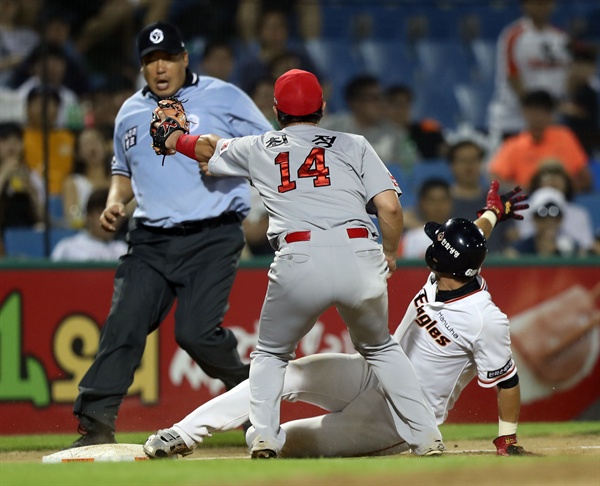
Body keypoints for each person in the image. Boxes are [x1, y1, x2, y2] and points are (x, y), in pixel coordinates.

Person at [149, 68, 445, 459]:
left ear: (275, 110)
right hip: (359, 252)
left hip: (300, 257)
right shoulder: (354, 144)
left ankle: (265, 437)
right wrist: (389, 252)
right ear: (322, 107)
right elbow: (389, 207)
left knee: (271, 355)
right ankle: (427, 437)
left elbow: (207, 147)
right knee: (381, 349)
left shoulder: (261, 146)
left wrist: (174, 139)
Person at [142, 182, 529, 459]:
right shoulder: (455, 268)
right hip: (371, 372)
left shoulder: (485, 318)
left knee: (273, 441)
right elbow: (471, 240)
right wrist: (494, 212)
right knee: (284, 374)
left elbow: (508, 381)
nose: (432, 243)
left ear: (438, 260)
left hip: (400, 418)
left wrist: (506, 438)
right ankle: (182, 433)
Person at [67, 20, 273, 448]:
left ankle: (258, 399)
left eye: (167, 58)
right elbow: (122, 172)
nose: (159, 67)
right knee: (124, 325)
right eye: (149, 60)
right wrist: (114, 201)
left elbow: (271, 149)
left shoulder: (224, 96)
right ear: (142, 67)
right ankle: (95, 426)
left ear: (184, 59)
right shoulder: (129, 112)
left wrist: (225, 158)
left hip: (212, 235)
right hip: (150, 240)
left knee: (195, 334)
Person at [486, 0, 571, 141]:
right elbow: (512, 76)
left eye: (545, 3)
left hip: (550, 120)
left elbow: (569, 75)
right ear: (525, 5)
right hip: (513, 120)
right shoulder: (513, 35)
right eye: (536, 3)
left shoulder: (562, 38)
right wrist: (534, 110)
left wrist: (554, 108)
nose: (541, 7)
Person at [487, 89, 591, 193]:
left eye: (543, 111)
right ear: (524, 112)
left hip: (563, 201)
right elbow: (494, 178)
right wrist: (525, 191)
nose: (538, 117)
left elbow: (585, 178)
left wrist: (564, 191)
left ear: (551, 114)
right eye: (533, 111)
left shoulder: (565, 137)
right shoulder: (514, 145)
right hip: (527, 203)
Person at [320, 75, 418, 172]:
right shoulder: (332, 127)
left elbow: (413, 166)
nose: (380, 104)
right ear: (355, 103)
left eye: (381, 98)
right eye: (374, 98)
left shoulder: (396, 133)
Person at [447, 139, 513, 253]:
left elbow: (512, 235)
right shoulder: (440, 199)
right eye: (463, 161)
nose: (469, 166)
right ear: (452, 165)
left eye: (474, 160)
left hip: (492, 265)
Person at [516, 163, 595, 253]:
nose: (549, 220)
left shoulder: (579, 214)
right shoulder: (521, 211)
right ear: (534, 219)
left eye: (555, 214)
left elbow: (586, 248)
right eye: (542, 214)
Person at [22, 85, 75, 196]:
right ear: (27, 108)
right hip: (30, 196)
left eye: (49, 103)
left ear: (58, 110)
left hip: (66, 195)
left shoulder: (69, 138)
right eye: (38, 102)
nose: (43, 107)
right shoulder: (19, 138)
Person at [51, 188, 128, 261]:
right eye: (101, 212)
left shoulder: (123, 250)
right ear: (89, 216)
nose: (109, 219)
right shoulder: (68, 247)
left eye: (114, 214)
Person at [506, 186, 580, 257]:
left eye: (555, 217)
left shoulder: (574, 249)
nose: (549, 222)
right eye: (542, 217)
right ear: (534, 219)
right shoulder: (517, 251)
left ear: (561, 220)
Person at [62, 128, 111, 229]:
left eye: (96, 142)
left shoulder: (118, 179)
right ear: (78, 153)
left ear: (106, 146)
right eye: (86, 144)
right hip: (86, 234)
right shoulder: (73, 182)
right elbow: (72, 217)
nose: (92, 147)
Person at [384, 84, 448, 161]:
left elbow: (444, 152)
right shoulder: (377, 134)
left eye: (406, 104)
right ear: (385, 107)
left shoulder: (427, 132)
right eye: (396, 104)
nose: (401, 109)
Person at [0, 121, 43, 235]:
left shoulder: (32, 175)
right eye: (5, 140)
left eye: (16, 141)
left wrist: (31, 192)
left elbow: (43, 218)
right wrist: (3, 175)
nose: (11, 145)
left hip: (27, 236)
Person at [400, 178, 453, 258]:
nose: (438, 206)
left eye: (443, 200)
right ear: (422, 203)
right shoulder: (410, 238)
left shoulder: (460, 237)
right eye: (432, 200)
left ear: (451, 203)